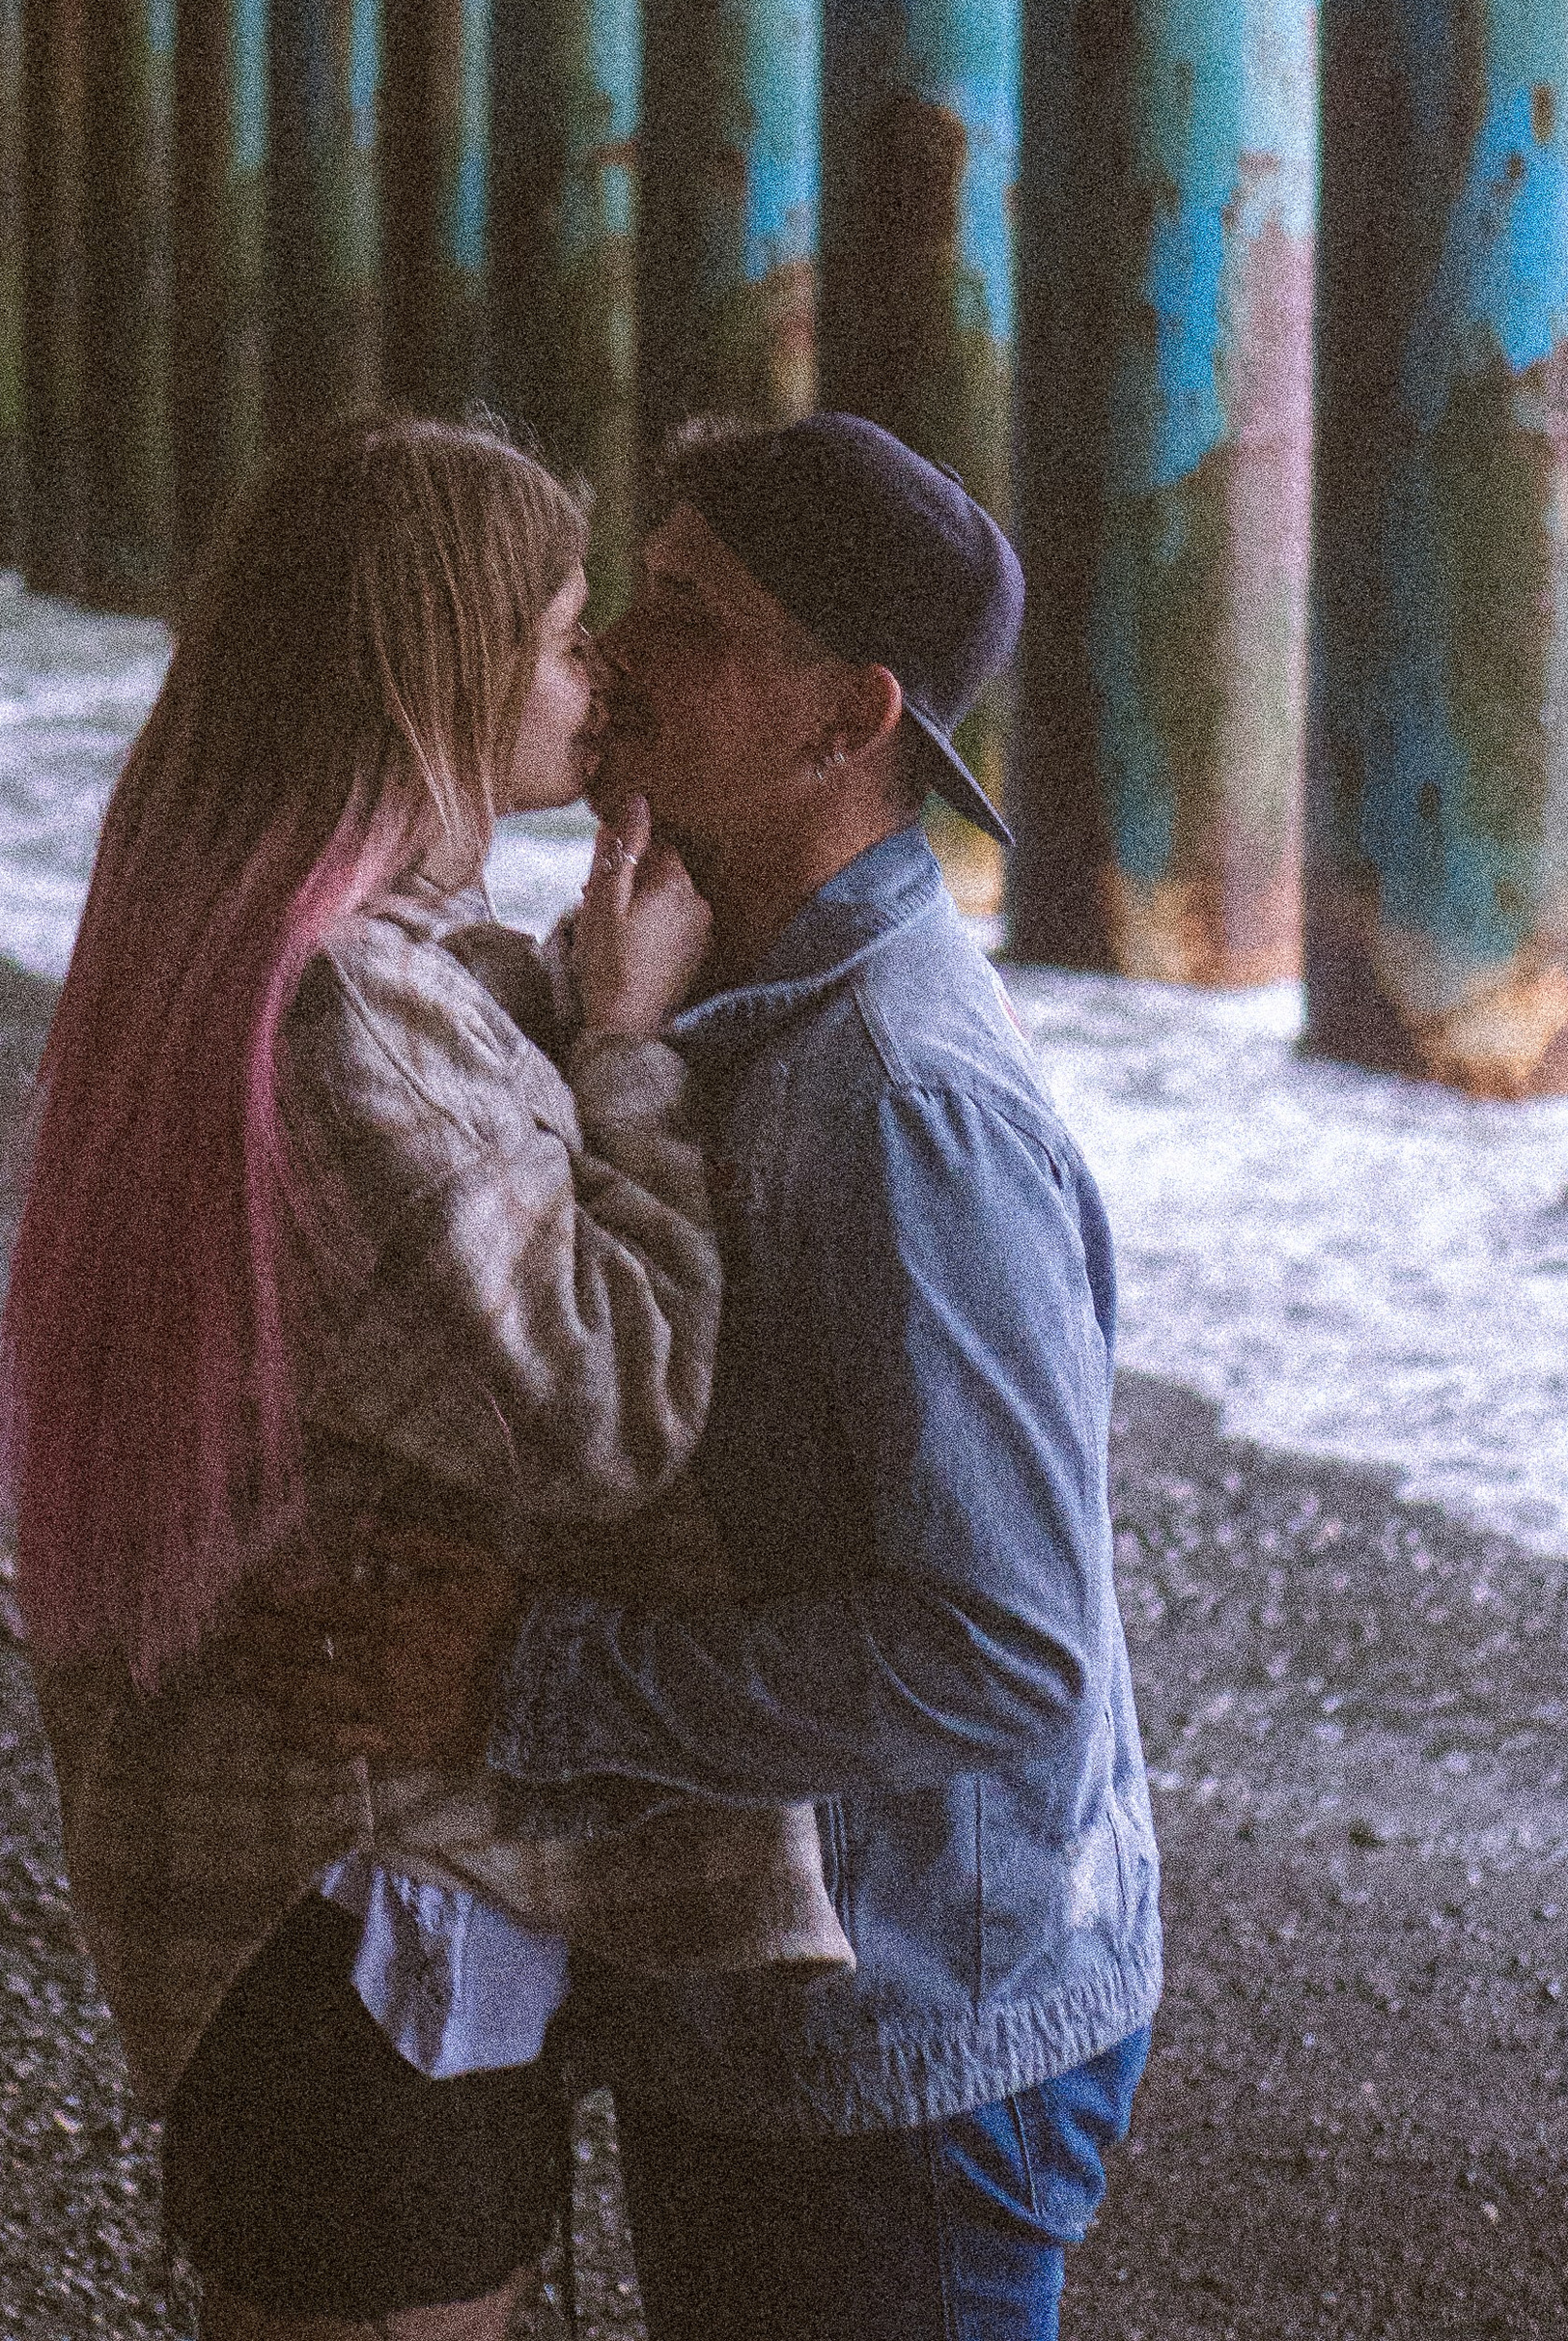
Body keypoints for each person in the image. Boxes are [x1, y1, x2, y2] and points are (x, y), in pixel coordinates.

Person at [244, 413, 1163, 2341]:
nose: (612, 657)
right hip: (765, 2008)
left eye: (682, 614)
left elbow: (1008, 1654)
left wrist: (517, 1683)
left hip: (913, 2036)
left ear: (845, 724)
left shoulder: (898, 1097)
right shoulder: (692, 1009)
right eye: (630, 595)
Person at [0, 415, 848, 2341]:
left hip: (321, 1881)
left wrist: (573, 992)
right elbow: (604, 1413)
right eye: (552, 632)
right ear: (434, 672)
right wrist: (626, 1045)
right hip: (356, 1893)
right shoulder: (346, 1006)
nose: (596, 668)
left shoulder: (300, 952)